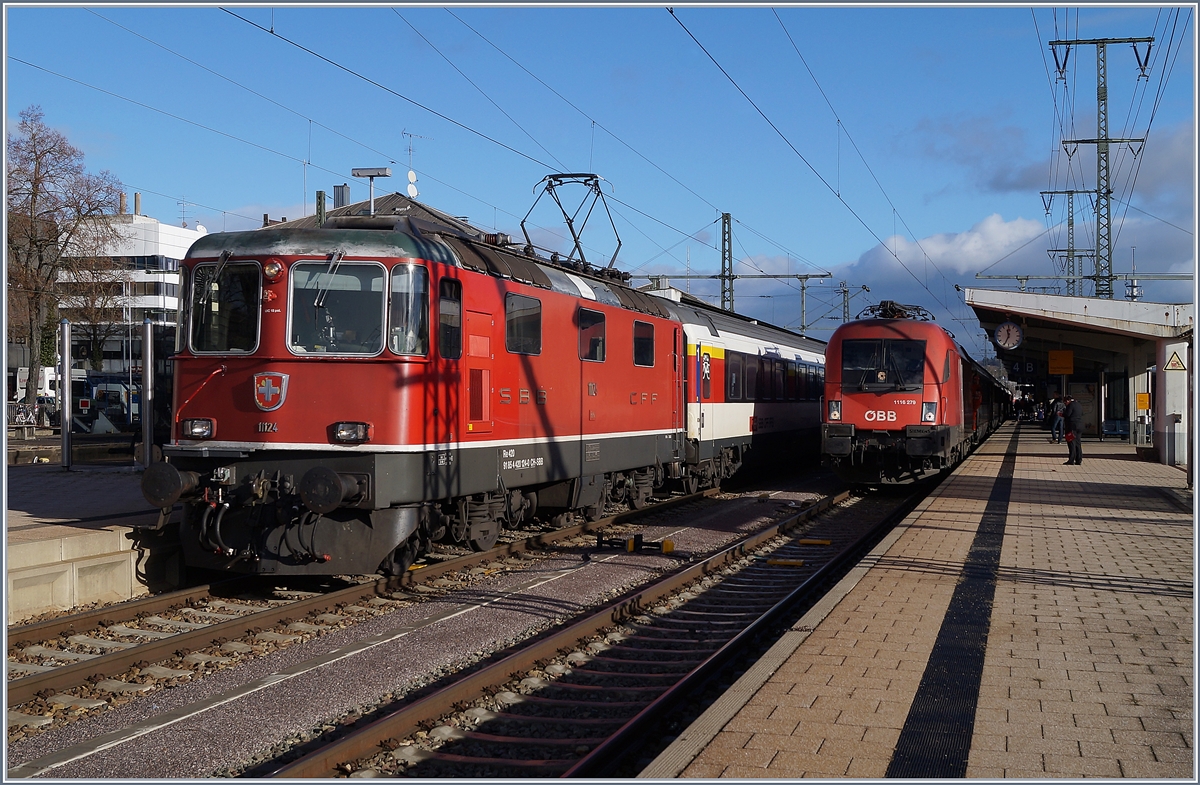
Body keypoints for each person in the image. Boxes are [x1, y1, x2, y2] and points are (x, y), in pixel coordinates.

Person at [1062, 395, 1083, 465]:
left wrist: (1061, 414)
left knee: (1071, 443)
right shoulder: (1079, 404)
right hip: (1079, 425)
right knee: (1078, 443)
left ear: (1068, 400)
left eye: (1065, 402)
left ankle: (1071, 460)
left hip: (1071, 426)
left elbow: (1067, 414)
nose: (1065, 404)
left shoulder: (1070, 405)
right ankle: (1078, 459)